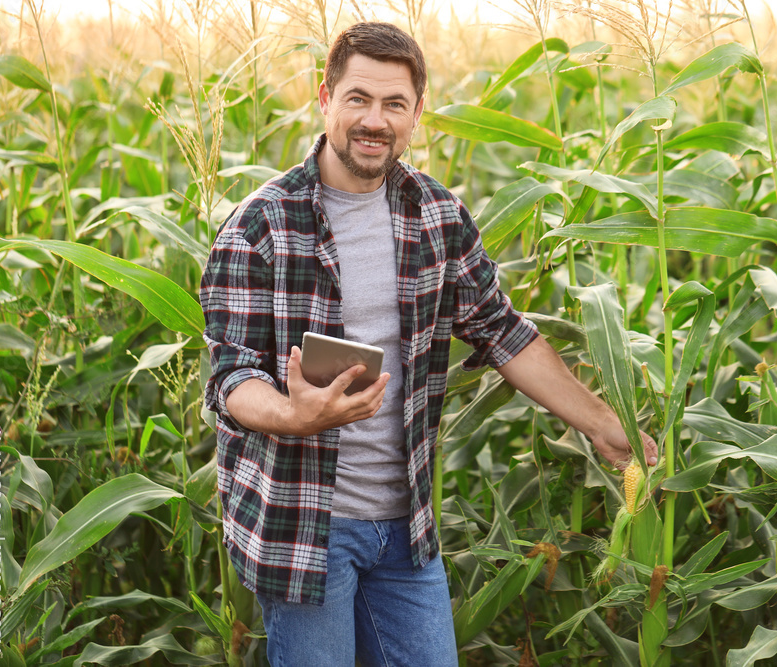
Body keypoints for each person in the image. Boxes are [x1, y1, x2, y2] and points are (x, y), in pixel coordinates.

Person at [200, 21, 657, 667]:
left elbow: (502, 332)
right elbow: (231, 376)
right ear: (323, 97)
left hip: (406, 529)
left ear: (418, 112)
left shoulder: (436, 215)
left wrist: (605, 425)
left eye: (394, 104)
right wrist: (293, 414)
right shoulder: (260, 225)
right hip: (305, 528)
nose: (375, 120)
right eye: (358, 98)